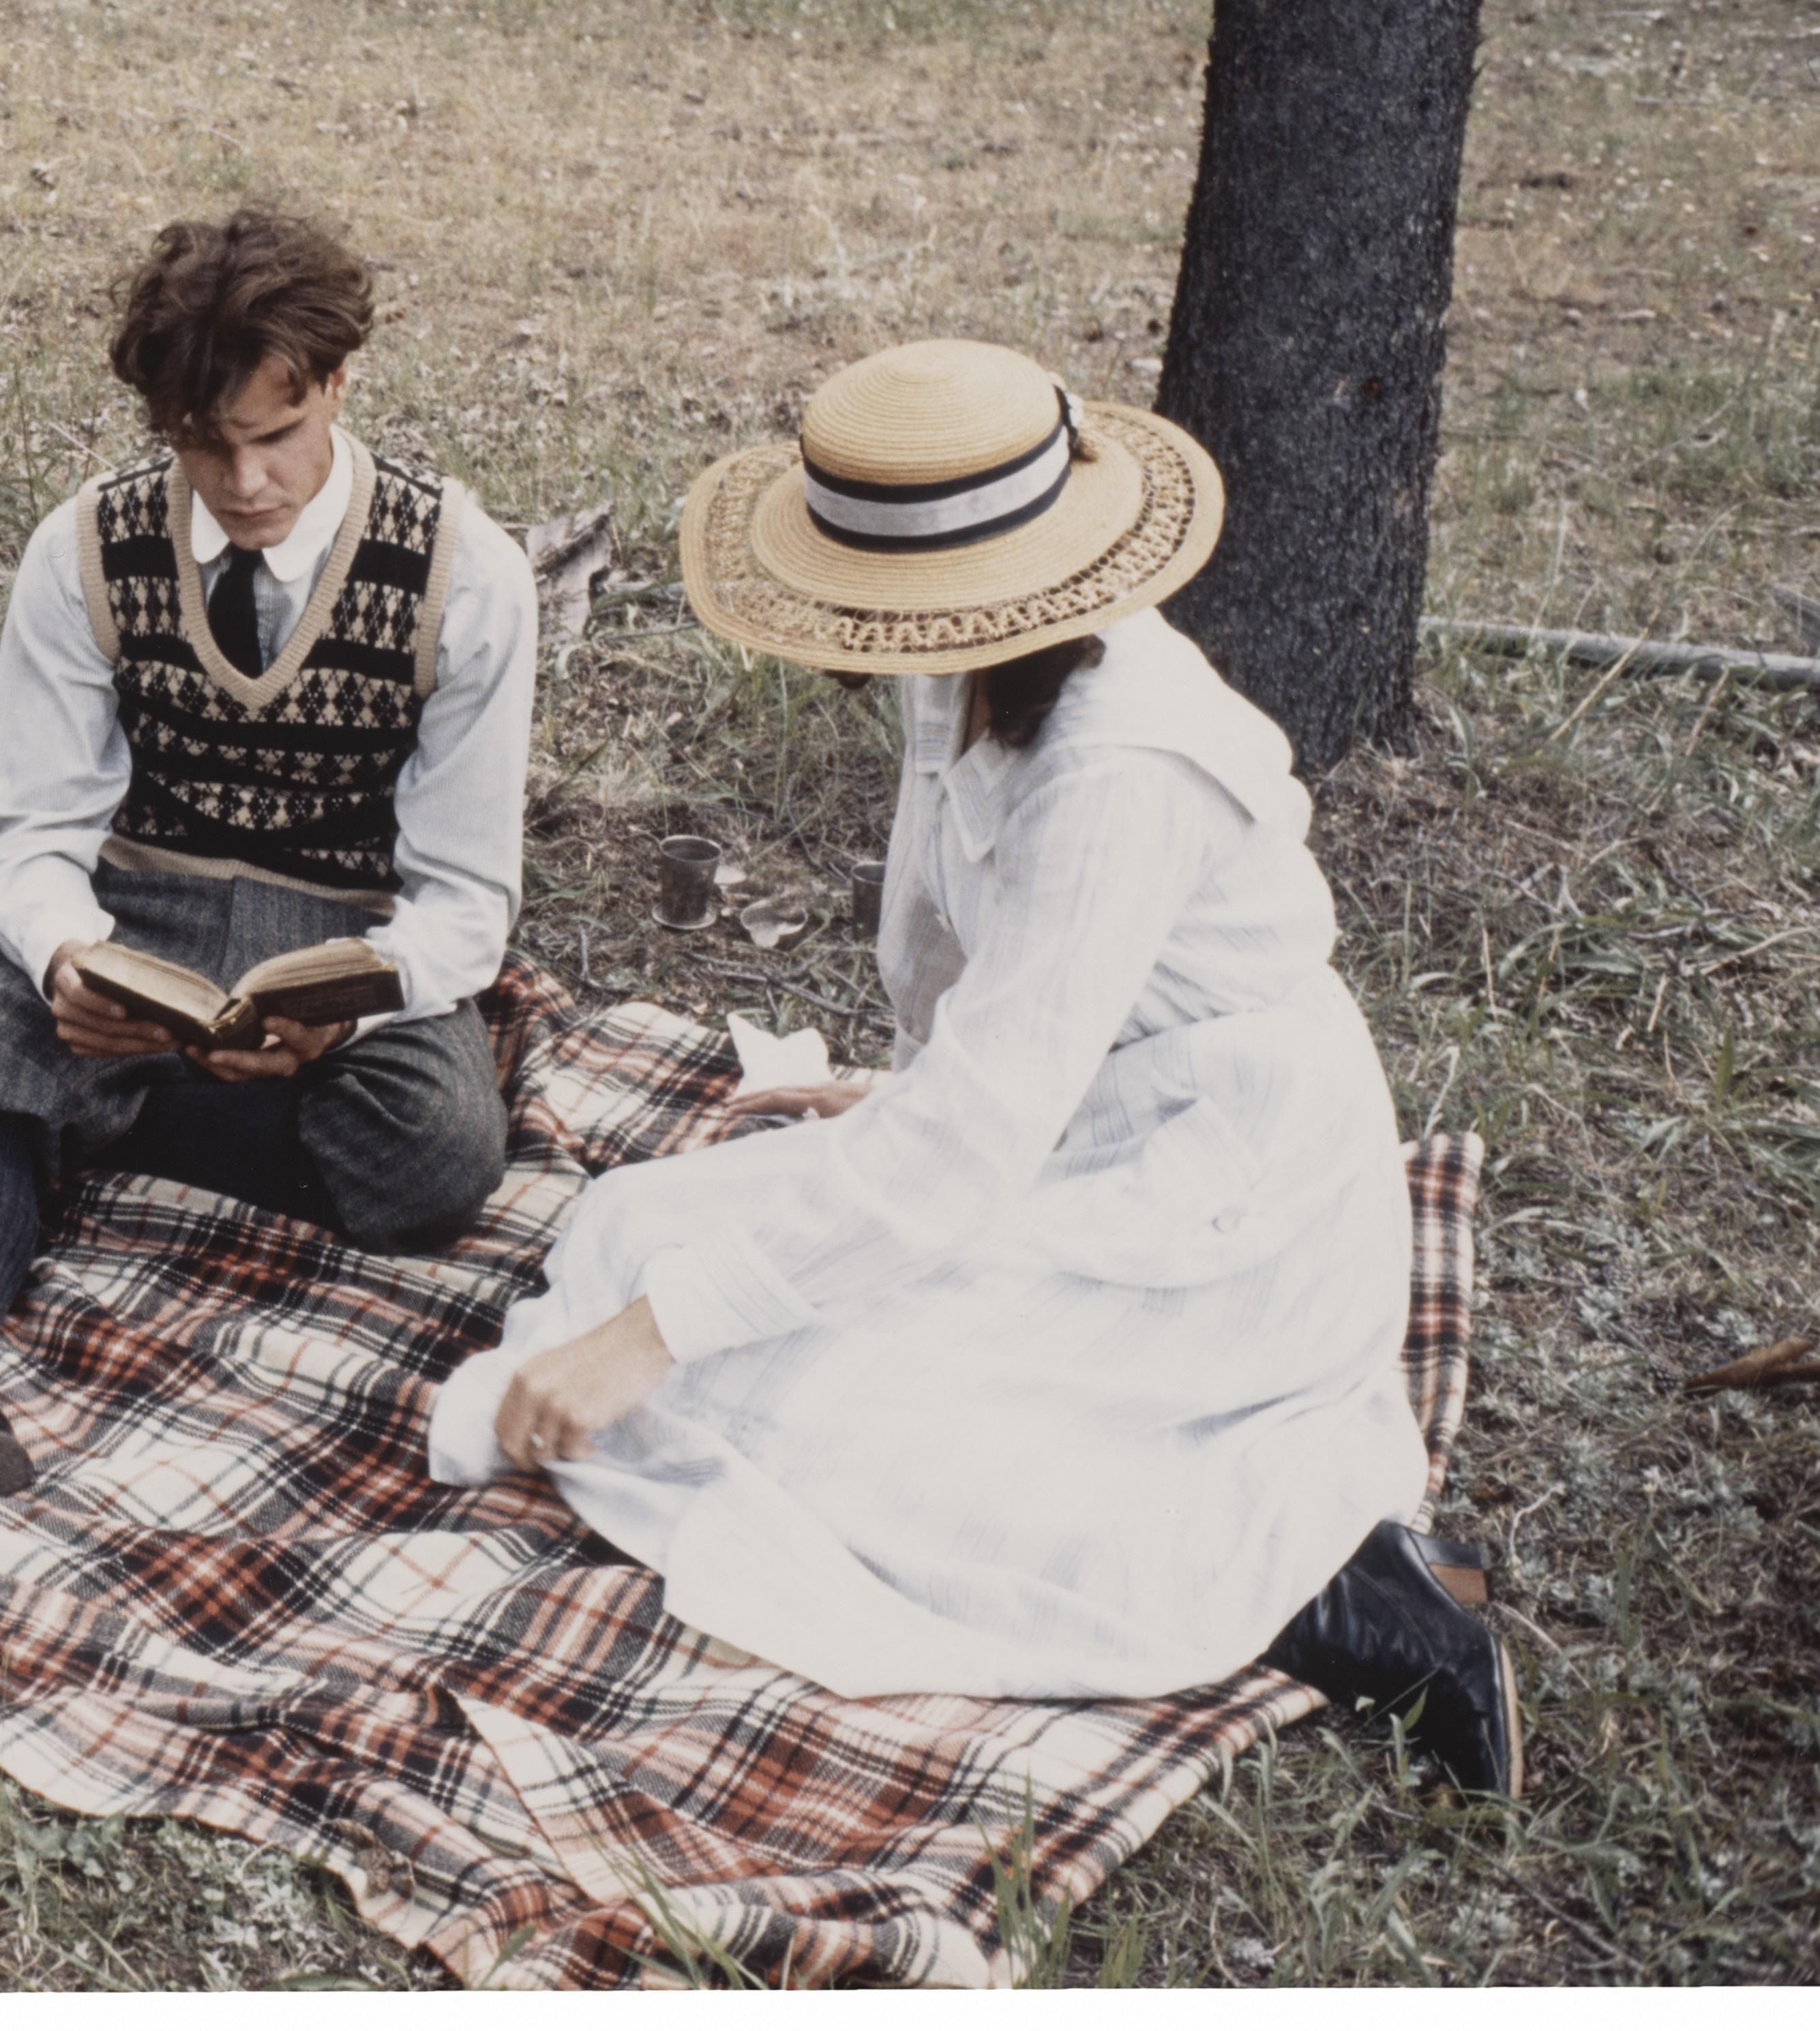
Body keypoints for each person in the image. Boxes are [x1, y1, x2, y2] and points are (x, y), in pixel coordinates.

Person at [427, 337, 1517, 1792]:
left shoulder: (1126, 762)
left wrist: (657, 1338)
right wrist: (899, 1093)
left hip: (1223, 1198)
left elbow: (970, 1140)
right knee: (629, 1231)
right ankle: (1289, 1540)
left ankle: (1345, 1597)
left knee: (775, 1409)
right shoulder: (973, 671)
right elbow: (966, 990)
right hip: (1076, 1127)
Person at [0, 208, 538, 1496]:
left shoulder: (466, 575)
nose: (242, 484)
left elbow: (463, 902)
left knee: (435, 1162)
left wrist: (338, 1021)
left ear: (340, 384)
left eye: (276, 436)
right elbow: (37, 833)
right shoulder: (83, 551)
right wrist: (69, 955)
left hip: (346, 932)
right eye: (200, 444)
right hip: (137, 913)